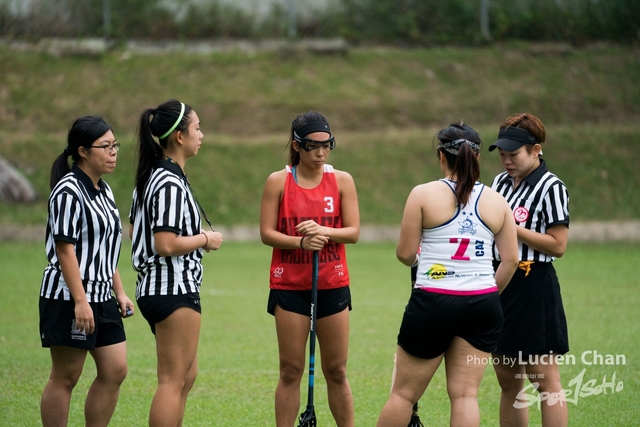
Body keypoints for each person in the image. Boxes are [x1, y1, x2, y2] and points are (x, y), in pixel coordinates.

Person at [376, 122, 519, 427]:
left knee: (403, 395)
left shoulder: (423, 194)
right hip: (483, 304)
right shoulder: (497, 200)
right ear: (477, 158)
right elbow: (510, 260)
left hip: (434, 302)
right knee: (466, 395)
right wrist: (486, 290)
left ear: (442, 156)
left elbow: (404, 254)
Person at [260, 110, 360, 427]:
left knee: (338, 370)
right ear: (296, 145)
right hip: (289, 286)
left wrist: (324, 231)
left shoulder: (341, 180)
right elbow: (267, 233)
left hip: (332, 284)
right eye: (313, 146)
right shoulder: (278, 181)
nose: (320, 153)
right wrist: (301, 243)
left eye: (326, 145)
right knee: (290, 370)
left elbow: (354, 232)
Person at [129, 99, 223, 427]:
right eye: (197, 128)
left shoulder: (155, 176)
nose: (202, 135)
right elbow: (165, 243)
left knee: (186, 374)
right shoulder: (167, 181)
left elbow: (145, 232)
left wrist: (194, 236)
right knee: (171, 380)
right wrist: (205, 239)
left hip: (159, 287)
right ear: (180, 137)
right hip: (171, 286)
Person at [39, 115, 133, 427]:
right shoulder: (68, 190)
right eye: (105, 146)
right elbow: (66, 250)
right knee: (66, 377)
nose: (113, 152)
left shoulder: (104, 191)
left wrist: (118, 291)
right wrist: (80, 301)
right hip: (69, 295)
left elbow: (106, 247)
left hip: (102, 294)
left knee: (115, 370)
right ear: (82, 151)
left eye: (115, 145)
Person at [488, 113, 570, 427]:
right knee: (508, 381)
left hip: (534, 283)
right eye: (503, 155)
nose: (507, 161)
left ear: (536, 150)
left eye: (514, 154)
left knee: (545, 383)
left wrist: (512, 226)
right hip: (501, 280)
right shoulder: (498, 183)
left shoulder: (552, 187)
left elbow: (558, 245)